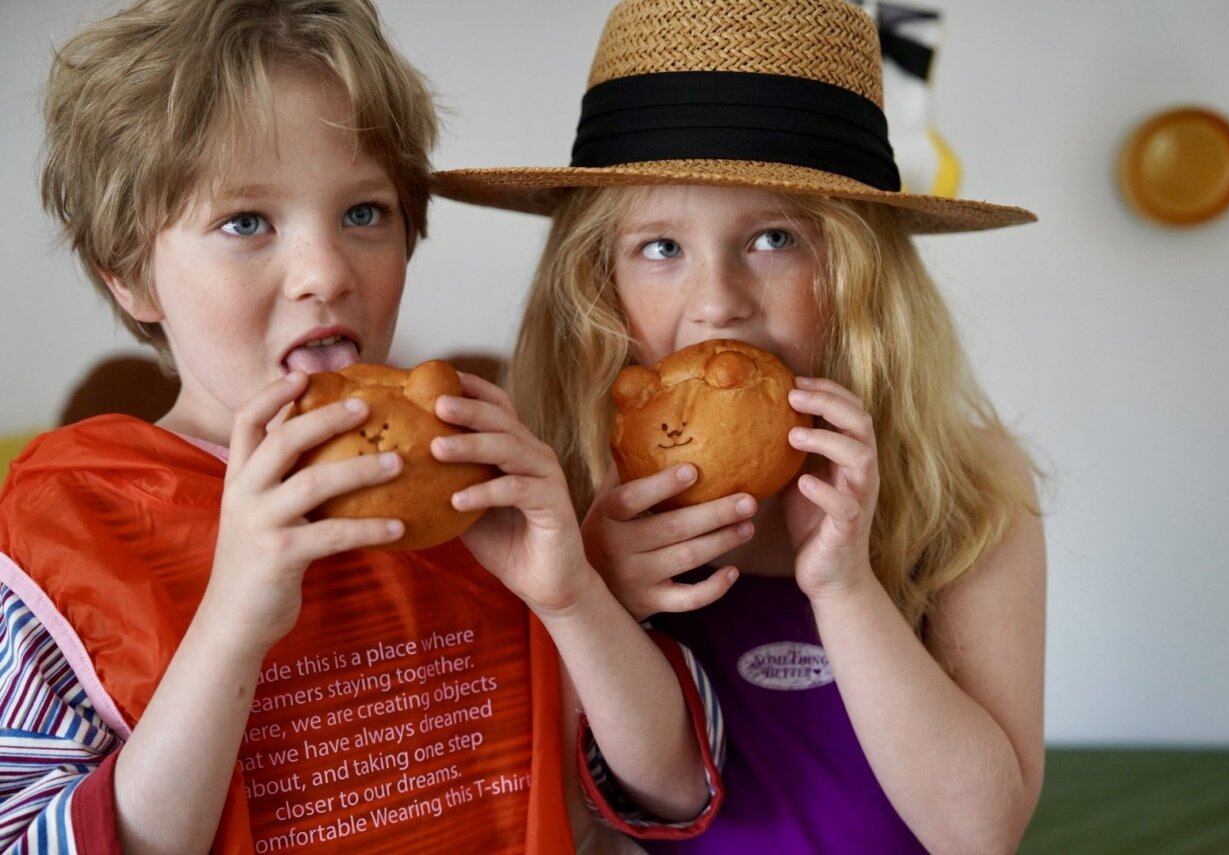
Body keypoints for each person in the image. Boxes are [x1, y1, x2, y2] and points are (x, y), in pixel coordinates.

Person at [0, 1, 724, 851]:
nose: (326, 272)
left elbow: (674, 794)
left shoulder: (491, 480)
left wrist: (572, 595)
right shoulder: (56, 543)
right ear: (128, 276)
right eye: (245, 222)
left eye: (363, 213)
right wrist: (232, 624)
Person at [434, 0, 1047, 850]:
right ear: (596, 284)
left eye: (773, 238)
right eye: (661, 247)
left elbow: (980, 832)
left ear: (860, 271)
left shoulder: (970, 485)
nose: (717, 302)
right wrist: (598, 598)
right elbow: (570, 817)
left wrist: (846, 588)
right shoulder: (556, 499)